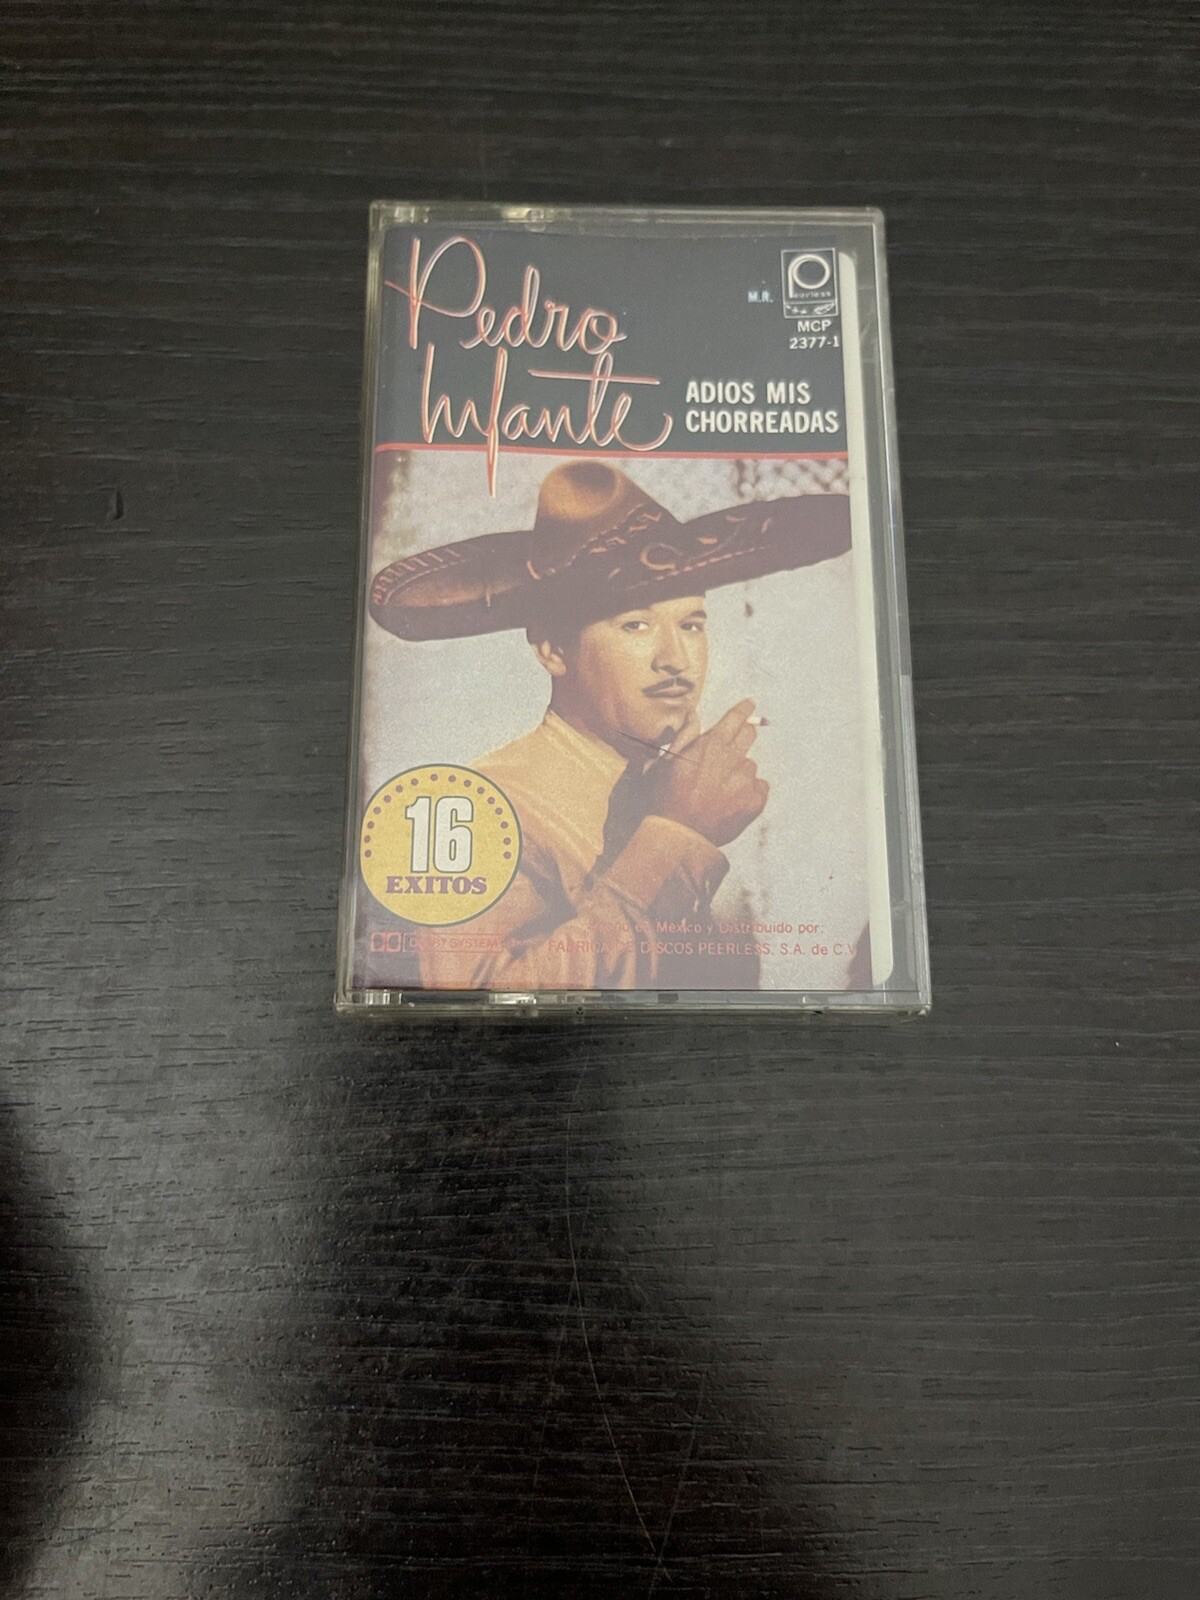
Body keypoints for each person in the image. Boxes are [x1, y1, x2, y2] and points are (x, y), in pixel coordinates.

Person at [367, 458, 851, 990]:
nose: (675, 659)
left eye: (691, 624)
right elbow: (476, 1001)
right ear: (552, 649)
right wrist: (679, 834)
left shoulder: (691, 784)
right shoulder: (484, 808)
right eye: (635, 625)